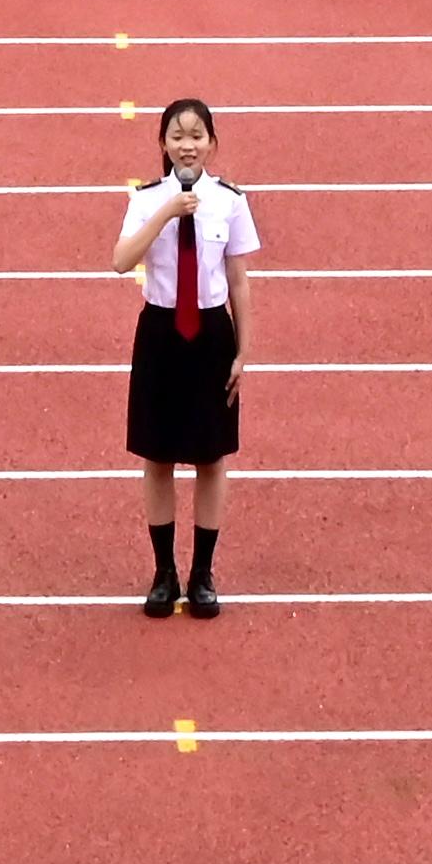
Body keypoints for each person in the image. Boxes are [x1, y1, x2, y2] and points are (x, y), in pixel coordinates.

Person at [116, 92, 259, 616]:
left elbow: (240, 281)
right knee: (156, 456)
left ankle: (202, 573)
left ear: (213, 144)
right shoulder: (145, 198)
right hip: (160, 331)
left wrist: (244, 349)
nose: (187, 145)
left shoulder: (230, 201)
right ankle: (162, 572)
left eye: (197, 135)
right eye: (177, 136)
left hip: (211, 334)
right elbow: (119, 260)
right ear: (163, 144)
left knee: (210, 457)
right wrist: (166, 211)